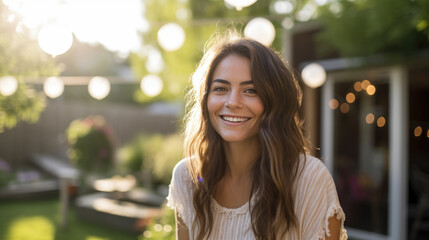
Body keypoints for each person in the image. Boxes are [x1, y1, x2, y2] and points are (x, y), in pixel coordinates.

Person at [167, 32, 347, 240]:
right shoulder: (187, 177)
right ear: (206, 100)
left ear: (274, 101)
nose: (233, 102)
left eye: (251, 90)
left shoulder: (308, 179)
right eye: (221, 88)